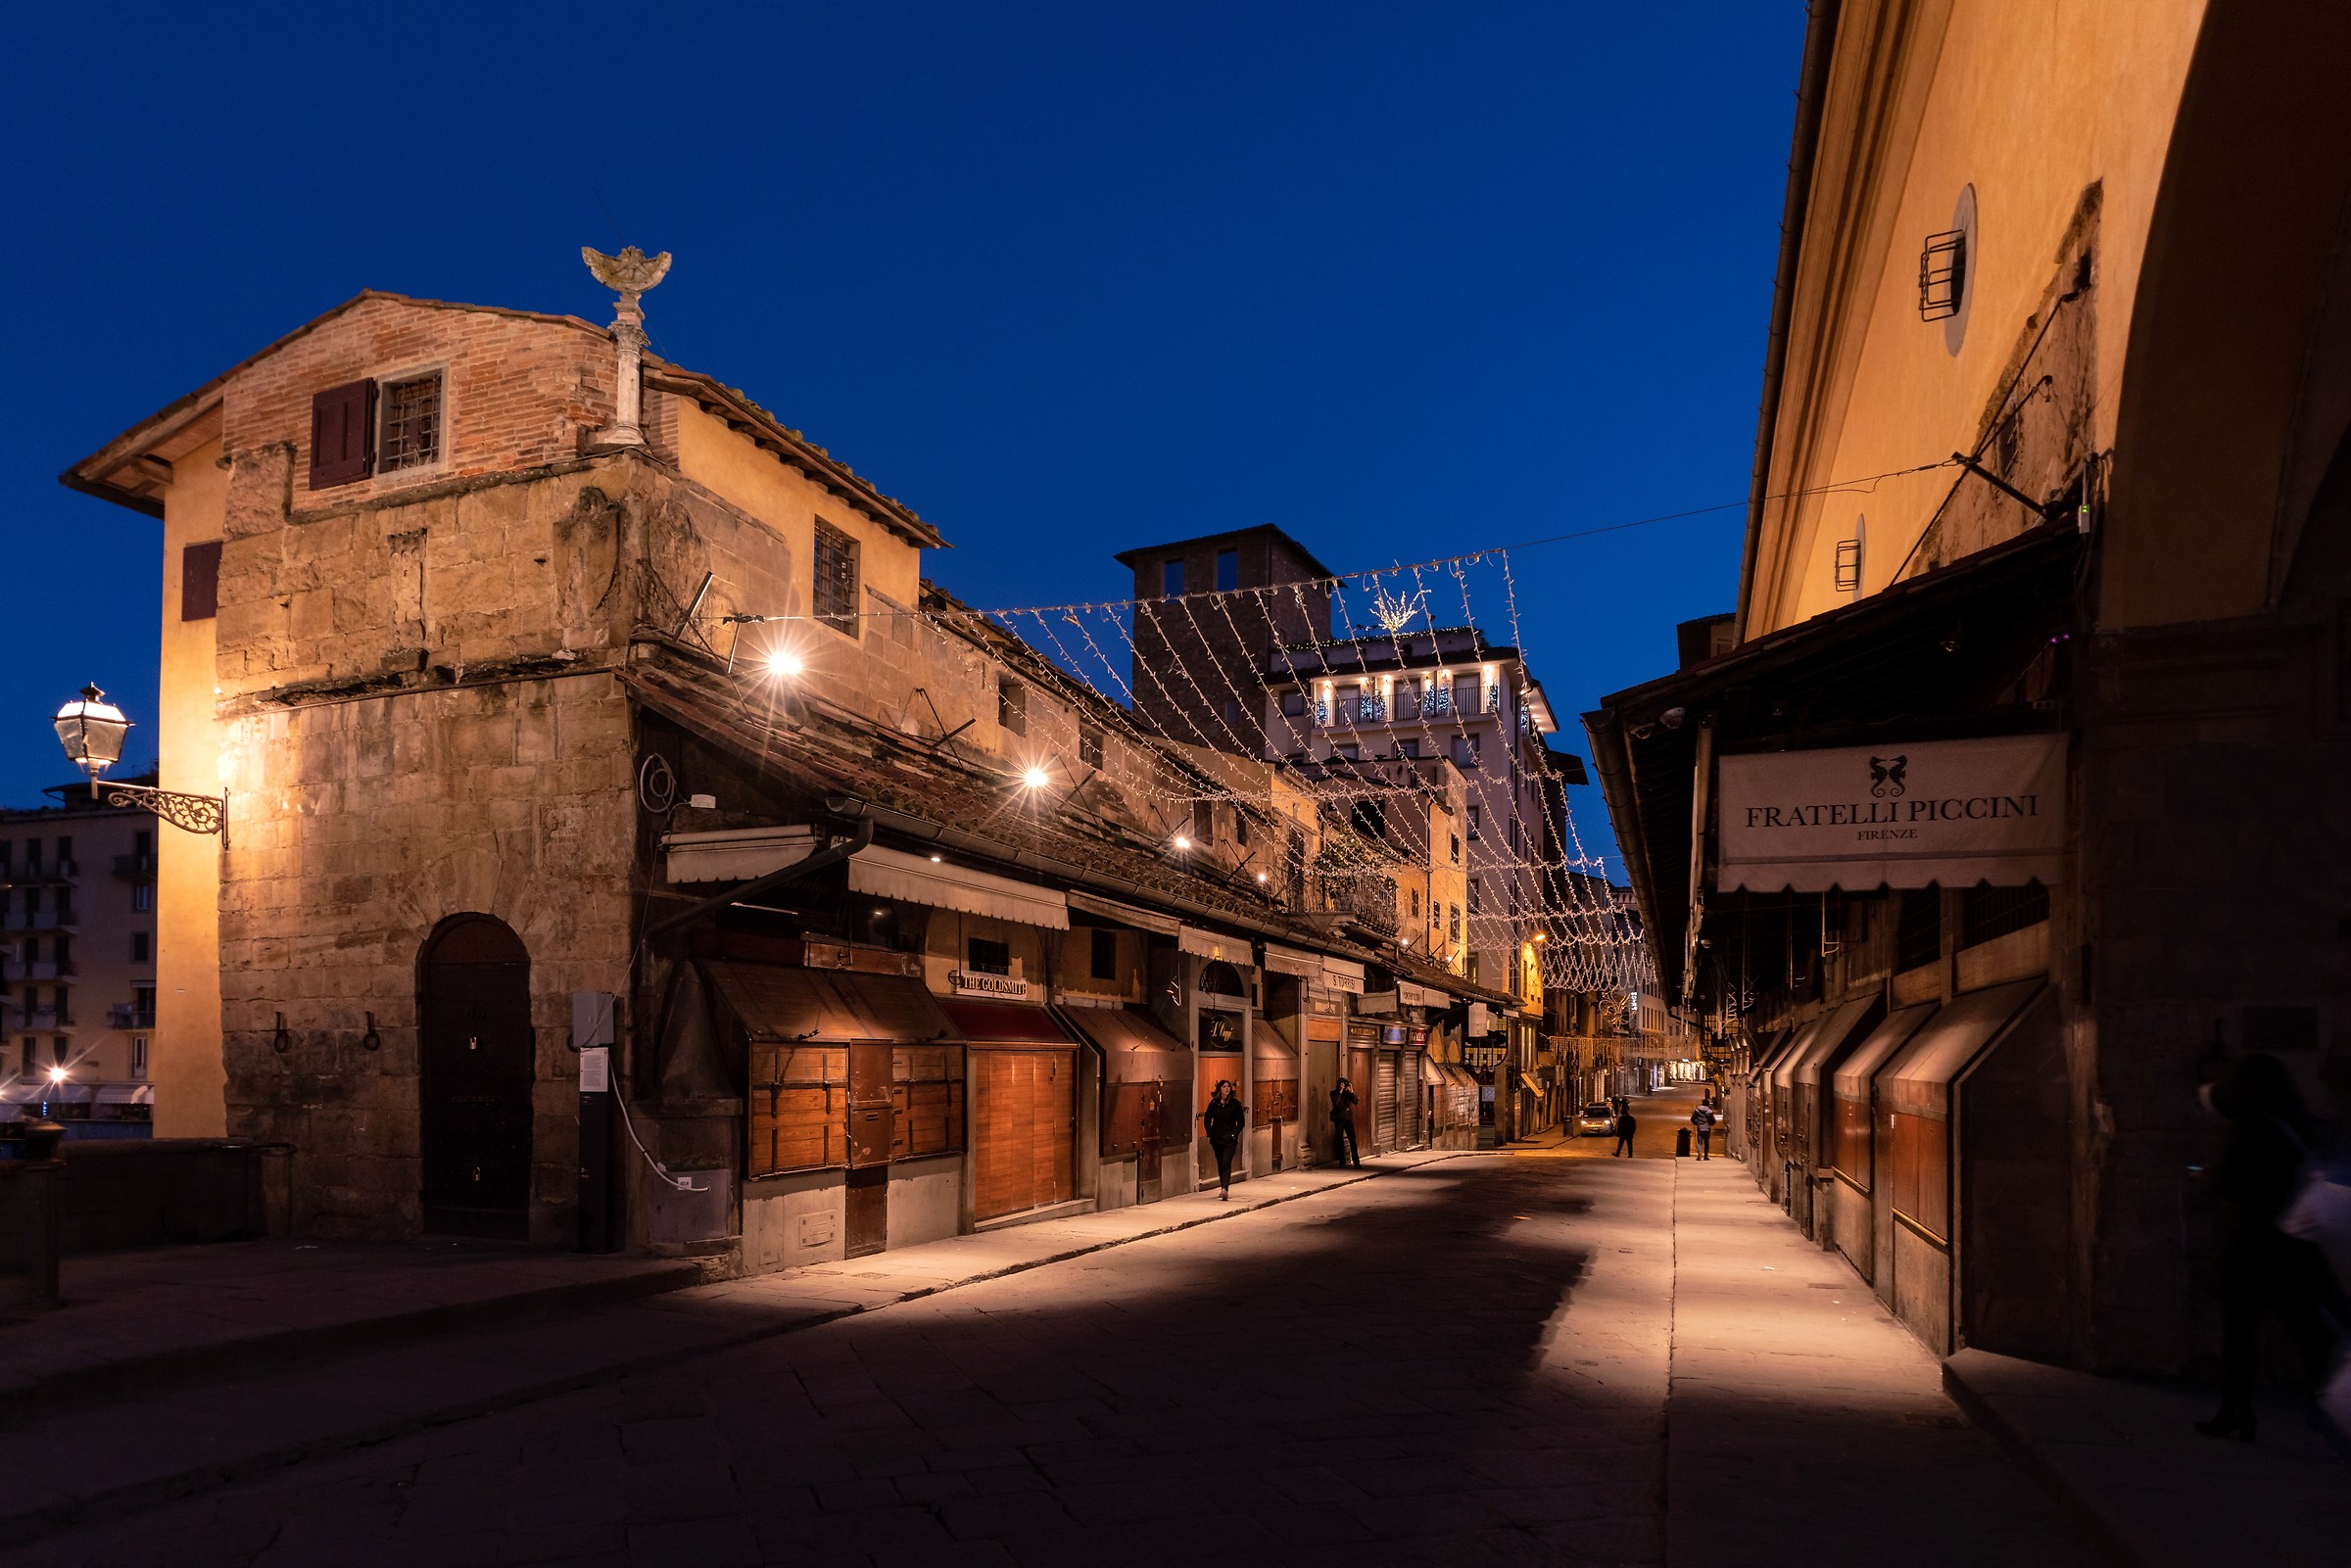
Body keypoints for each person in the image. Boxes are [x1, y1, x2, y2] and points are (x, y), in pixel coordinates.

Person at [2195, 1054, 2347, 1441]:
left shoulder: (2250, 1126)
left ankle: (2236, 1409)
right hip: (2297, 1244)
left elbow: (2223, 1182)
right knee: (2307, 1330)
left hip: (2253, 1244)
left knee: (2242, 1330)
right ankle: (2332, 1406)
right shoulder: (2302, 1123)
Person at [1201, 1080, 1247, 1200]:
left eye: (1228, 1087)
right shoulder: (1214, 1104)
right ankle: (1223, 1187)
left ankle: (1225, 1189)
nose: (1227, 1088)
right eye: (1224, 1086)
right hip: (1217, 1138)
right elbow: (1207, 1119)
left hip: (1230, 1139)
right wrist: (1210, 1133)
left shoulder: (1235, 1104)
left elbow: (1241, 1123)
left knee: (1226, 1162)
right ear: (1219, 1089)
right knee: (1220, 1163)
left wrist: (1234, 1134)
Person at [1329, 1077, 1362, 1167]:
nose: (1344, 1086)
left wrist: (1351, 1091)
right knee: (1339, 1141)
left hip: (1348, 1119)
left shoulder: (1348, 1094)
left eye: (1345, 1084)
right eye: (1342, 1084)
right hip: (1339, 1120)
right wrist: (1340, 1091)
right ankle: (1342, 1162)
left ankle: (1356, 1162)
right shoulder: (1334, 1093)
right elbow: (1336, 1103)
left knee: (1352, 1140)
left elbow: (1355, 1101)